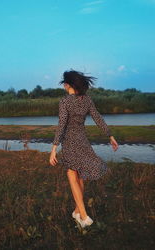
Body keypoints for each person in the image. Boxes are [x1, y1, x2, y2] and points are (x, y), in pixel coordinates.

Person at [49, 70, 119, 229]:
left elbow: (61, 126)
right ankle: (77, 211)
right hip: (82, 140)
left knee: (72, 174)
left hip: (69, 142)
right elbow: (98, 118)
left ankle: (84, 216)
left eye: (64, 84)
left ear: (67, 85)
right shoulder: (87, 100)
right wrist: (110, 136)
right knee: (80, 176)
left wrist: (54, 148)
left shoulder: (64, 102)